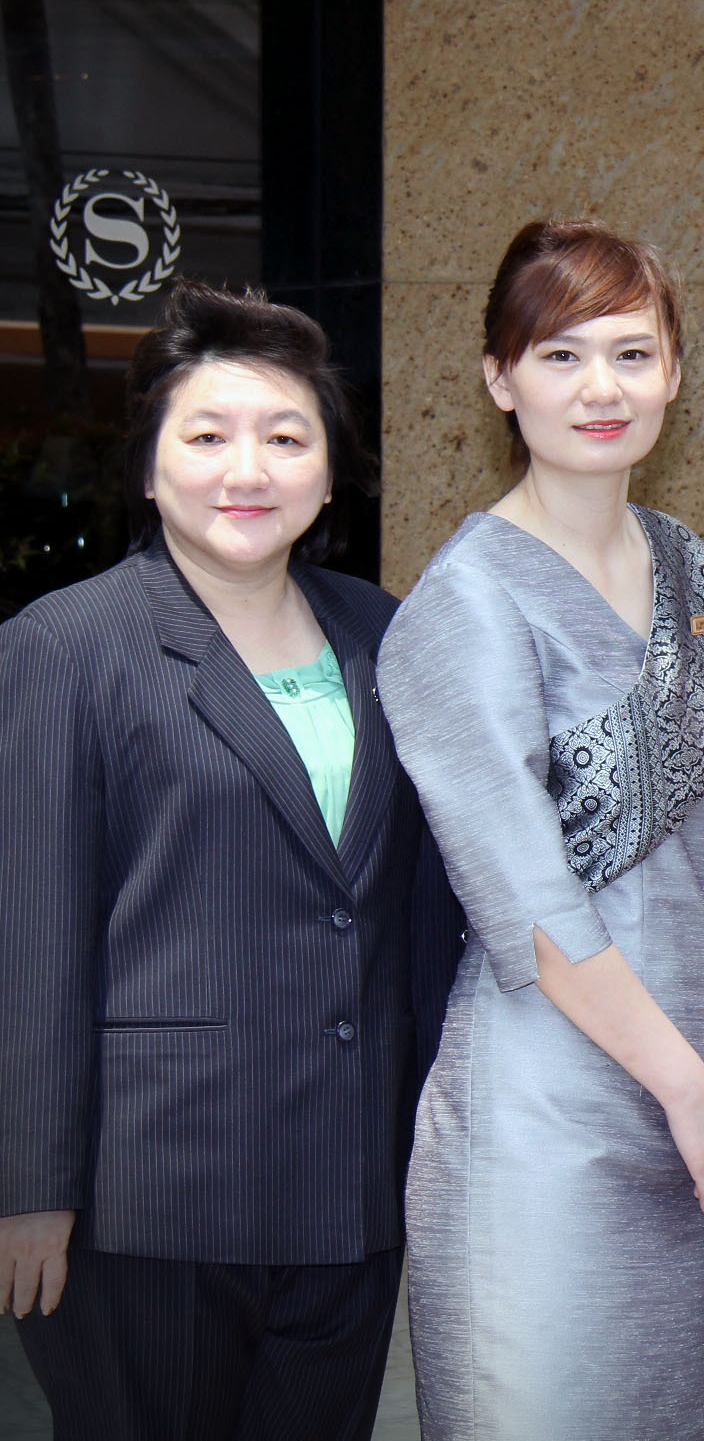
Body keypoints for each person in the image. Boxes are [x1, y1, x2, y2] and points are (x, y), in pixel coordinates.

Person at [0, 283, 428, 1440]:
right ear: (148, 468)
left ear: (330, 475)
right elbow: (32, 940)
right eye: (206, 436)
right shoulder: (65, 648)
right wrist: (29, 1190)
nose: (249, 469)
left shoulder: (385, 634)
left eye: (287, 438)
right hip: (150, 1202)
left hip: (349, 1192)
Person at [377, 220, 704, 1440]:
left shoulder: (692, 569)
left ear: (675, 374)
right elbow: (529, 902)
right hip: (544, 1112)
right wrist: (690, 1089)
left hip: (690, 1104)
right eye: (560, 355)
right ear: (500, 379)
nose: (603, 388)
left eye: (632, 354)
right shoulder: (469, 598)